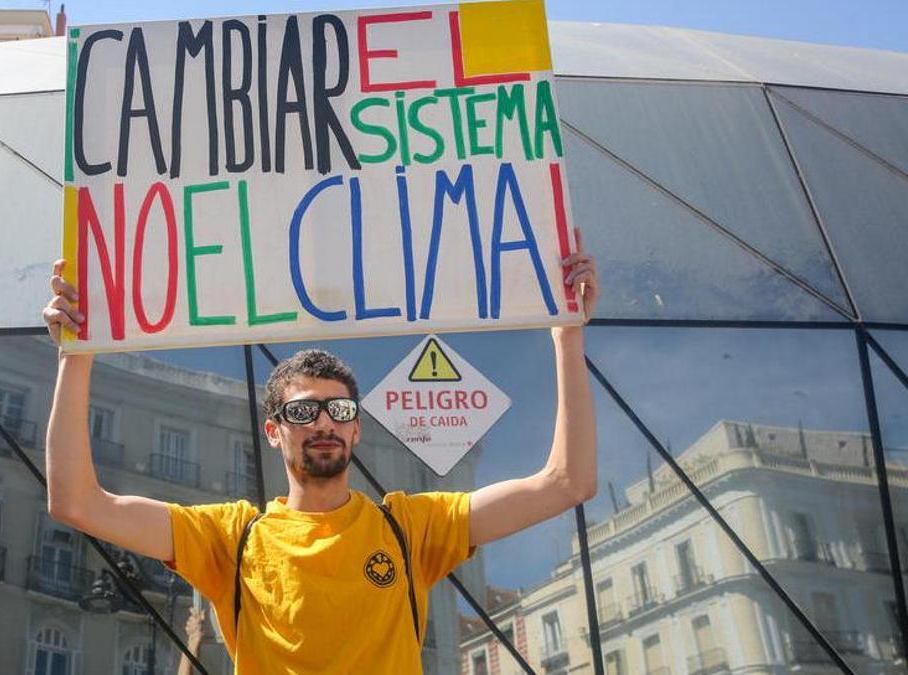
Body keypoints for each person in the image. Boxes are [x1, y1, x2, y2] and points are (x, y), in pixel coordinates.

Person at [42, 232, 598, 674]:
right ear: (273, 431)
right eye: (304, 411)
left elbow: (567, 482)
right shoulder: (229, 538)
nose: (325, 422)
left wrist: (567, 336)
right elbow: (76, 503)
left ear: (357, 431)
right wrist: (77, 355)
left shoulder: (412, 528)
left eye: (340, 410)